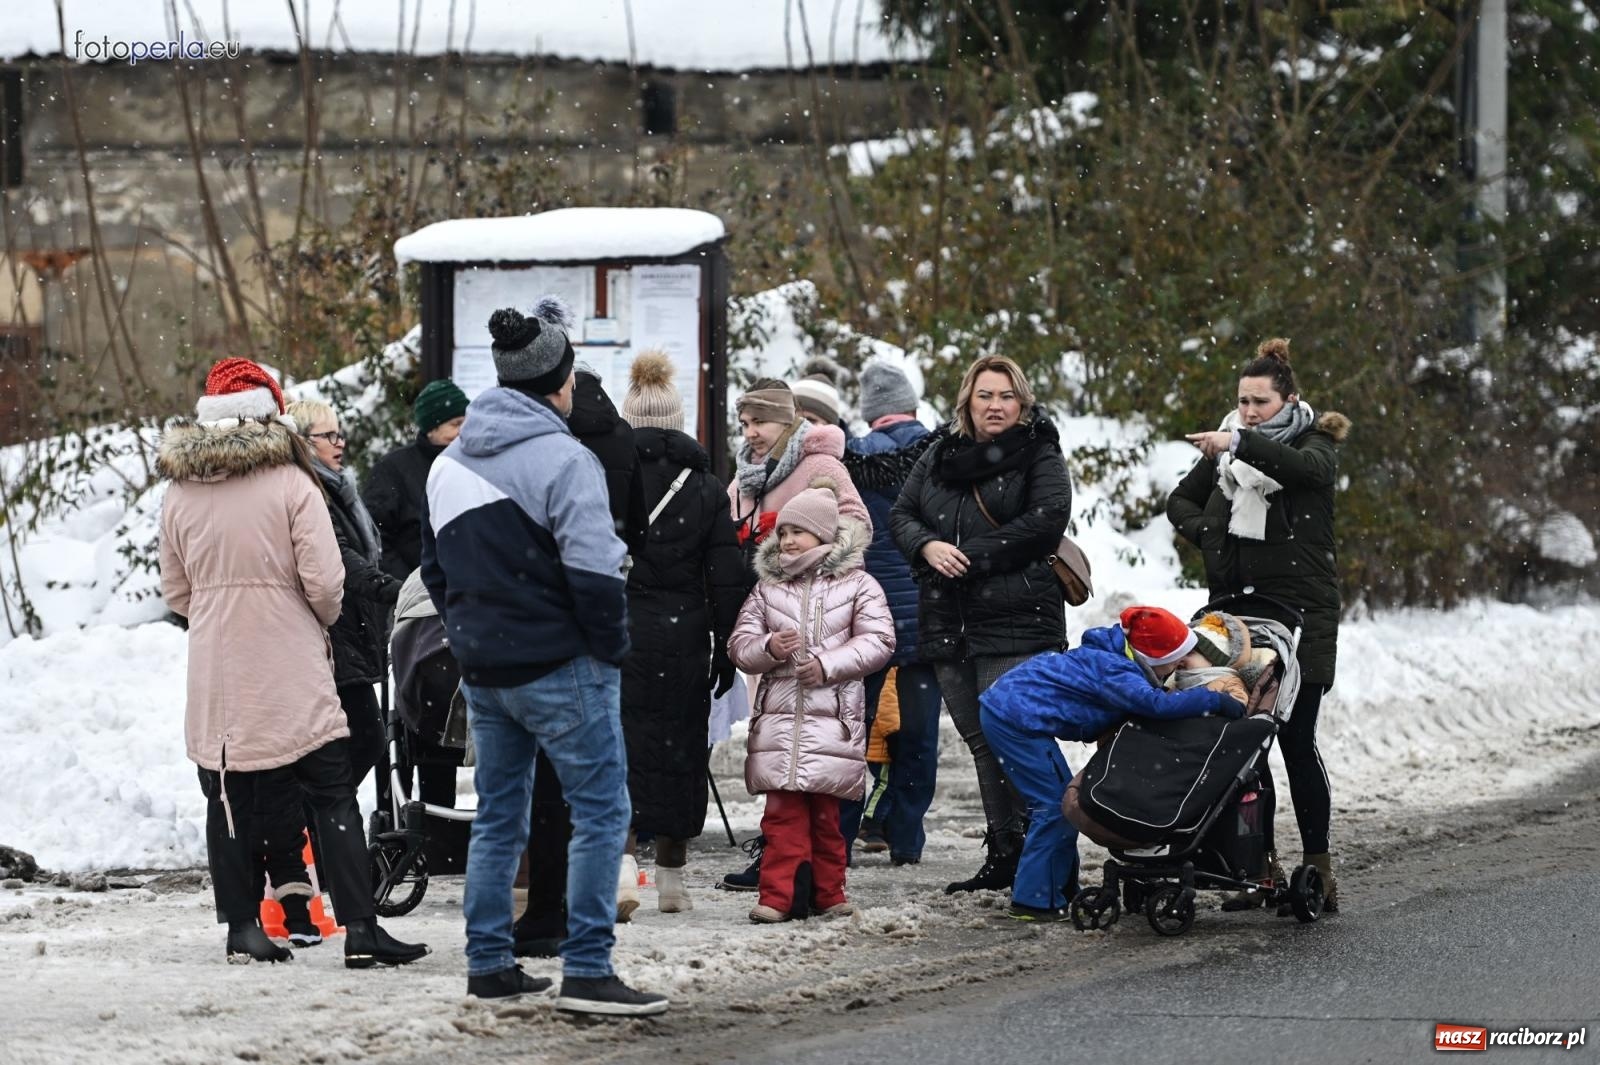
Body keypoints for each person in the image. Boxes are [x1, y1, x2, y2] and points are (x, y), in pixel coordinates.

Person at [421, 306, 667, 1014]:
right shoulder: (566, 460)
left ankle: (489, 963)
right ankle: (588, 968)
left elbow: (435, 570)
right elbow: (594, 573)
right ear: (562, 384)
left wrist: (473, 633)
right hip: (562, 662)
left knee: (500, 816)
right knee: (601, 812)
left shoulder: (448, 463)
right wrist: (609, 649)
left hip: (485, 669)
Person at [157, 356, 427, 968]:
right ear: (270, 413)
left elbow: (175, 592)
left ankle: (243, 927)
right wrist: (305, 617)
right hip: (291, 657)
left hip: (218, 665)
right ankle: (361, 929)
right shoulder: (292, 482)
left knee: (229, 793)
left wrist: (218, 612)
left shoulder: (179, 491)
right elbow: (327, 583)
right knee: (331, 789)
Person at [1166, 338, 1349, 911]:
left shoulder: (1315, 443)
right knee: (1246, 746)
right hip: (1238, 616)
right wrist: (1214, 534)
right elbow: (1179, 502)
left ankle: (1319, 868)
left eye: (1260, 402)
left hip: (1302, 616)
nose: (1247, 412)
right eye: (1242, 401)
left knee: (1295, 740)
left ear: (1288, 401)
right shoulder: (1228, 450)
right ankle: (1258, 866)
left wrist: (1239, 443)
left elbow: (1301, 469)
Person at [889, 354, 1073, 894]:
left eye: (1006, 396)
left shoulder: (1040, 451)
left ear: (1023, 403)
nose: (996, 406)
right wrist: (928, 546)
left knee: (1014, 735)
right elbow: (901, 514)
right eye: (985, 395)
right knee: (979, 740)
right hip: (948, 615)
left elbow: (1045, 522)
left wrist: (970, 555)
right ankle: (1005, 850)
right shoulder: (939, 454)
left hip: (1017, 617)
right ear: (967, 400)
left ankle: (1046, 852)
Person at [978, 606, 1248, 921]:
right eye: (1176, 660)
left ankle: (1059, 890)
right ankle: (1033, 901)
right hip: (1011, 720)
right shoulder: (1116, 670)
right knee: (1052, 808)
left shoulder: (1117, 657)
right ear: (1153, 658)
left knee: (1060, 804)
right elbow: (1154, 704)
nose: (1180, 665)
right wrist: (1215, 700)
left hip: (1010, 711)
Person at [720, 378, 870, 891]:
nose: (751, 432)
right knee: (777, 748)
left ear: (787, 421)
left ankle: (819, 869)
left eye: (760, 421)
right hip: (769, 629)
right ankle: (782, 857)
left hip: (821, 635)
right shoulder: (746, 475)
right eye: (744, 423)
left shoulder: (820, 466)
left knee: (822, 755)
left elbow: (856, 531)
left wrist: (806, 573)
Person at [727, 479, 896, 922]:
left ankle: (828, 892)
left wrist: (826, 664)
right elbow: (739, 645)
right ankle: (777, 897)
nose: (787, 540)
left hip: (832, 721)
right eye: (782, 532)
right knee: (780, 818)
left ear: (823, 534)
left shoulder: (858, 584)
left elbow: (879, 641)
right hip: (779, 723)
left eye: (797, 532)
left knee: (827, 819)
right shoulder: (767, 588)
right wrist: (768, 647)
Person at [615, 350, 746, 915]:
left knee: (621, 748)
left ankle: (622, 867)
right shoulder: (706, 487)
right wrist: (726, 649)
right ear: (677, 421)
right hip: (685, 637)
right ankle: (672, 880)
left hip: (620, 631)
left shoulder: (610, 478)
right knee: (681, 750)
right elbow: (726, 576)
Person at [838, 361, 942, 867]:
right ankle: (907, 838)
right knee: (918, 733)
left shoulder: (852, 458)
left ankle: (840, 837)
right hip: (926, 613)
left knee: (850, 730)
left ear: (870, 412)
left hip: (867, 615)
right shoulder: (941, 454)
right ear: (912, 407)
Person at [286, 399, 400, 797]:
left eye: (339, 433)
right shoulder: (310, 493)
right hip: (333, 633)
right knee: (365, 737)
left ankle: (321, 818)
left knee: (357, 740)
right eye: (328, 435)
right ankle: (315, 816)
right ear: (303, 442)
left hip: (350, 629)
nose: (340, 443)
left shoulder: (334, 489)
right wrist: (389, 587)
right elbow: (340, 557)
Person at [363, 377, 468, 583]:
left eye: (467, 422)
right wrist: (409, 585)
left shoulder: (472, 464)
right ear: (432, 428)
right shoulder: (393, 470)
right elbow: (376, 536)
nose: (463, 431)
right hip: (416, 592)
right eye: (456, 424)